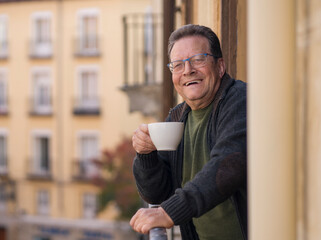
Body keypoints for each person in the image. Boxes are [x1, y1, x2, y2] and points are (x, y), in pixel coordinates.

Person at [130, 24, 247, 240]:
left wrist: (169, 212)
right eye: (177, 65)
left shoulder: (239, 100)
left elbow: (227, 166)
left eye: (198, 59)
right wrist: (145, 155)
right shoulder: (177, 117)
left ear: (220, 66)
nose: (188, 70)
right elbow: (156, 193)